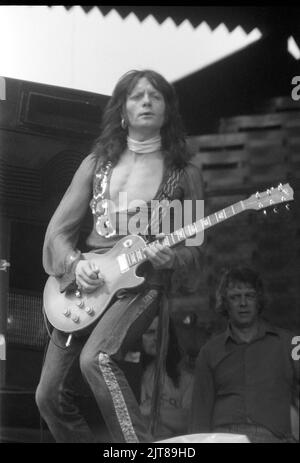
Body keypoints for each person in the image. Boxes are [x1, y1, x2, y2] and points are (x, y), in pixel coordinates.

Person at [35, 69, 204, 443]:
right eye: (137, 95)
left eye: (155, 96)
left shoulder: (185, 173)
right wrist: (76, 265)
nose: (146, 101)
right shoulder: (95, 165)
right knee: (47, 396)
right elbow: (59, 232)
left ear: (167, 111)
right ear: (123, 110)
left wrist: (172, 258)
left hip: (140, 283)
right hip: (86, 285)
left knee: (97, 359)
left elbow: (194, 249)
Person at [189, 266, 299, 443]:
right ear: (225, 303)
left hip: (274, 436)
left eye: (249, 296)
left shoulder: (291, 342)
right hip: (224, 437)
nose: (243, 303)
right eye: (235, 297)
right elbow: (199, 413)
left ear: (259, 300)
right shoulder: (209, 351)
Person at [138, 316, 194, 441]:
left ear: (170, 336)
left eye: (162, 332)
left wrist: (153, 411)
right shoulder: (136, 374)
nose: (157, 337)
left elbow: (190, 422)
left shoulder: (187, 375)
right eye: (150, 332)